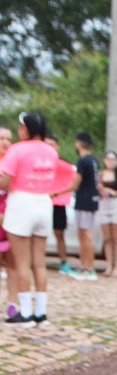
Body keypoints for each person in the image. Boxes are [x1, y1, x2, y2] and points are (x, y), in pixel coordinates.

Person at [0, 112, 59, 325]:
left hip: (22, 203)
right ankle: (41, 313)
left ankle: (25, 313)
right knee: (39, 263)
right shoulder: (50, 151)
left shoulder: (17, 150)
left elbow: (5, 181)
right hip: (43, 203)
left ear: (26, 129)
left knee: (22, 262)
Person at [52, 132, 99, 280]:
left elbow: (75, 184)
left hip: (84, 201)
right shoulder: (94, 160)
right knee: (83, 234)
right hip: (91, 199)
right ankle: (85, 266)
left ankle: (89, 268)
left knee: (85, 235)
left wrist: (56, 192)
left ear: (78, 144)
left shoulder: (83, 161)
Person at [45, 135, 78, 276]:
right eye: (46, 145)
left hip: (58, 203)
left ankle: (63, 262)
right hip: (41, 203)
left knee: (59, 234)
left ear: (58, 147)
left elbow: (77, 180)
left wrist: (58, 193)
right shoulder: (37, 163)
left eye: (52, 144)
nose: (49, 148)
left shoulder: (66, 166)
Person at [0, 124, 20, 319]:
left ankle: (12, 303)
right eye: (1, 139)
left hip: (12, 219)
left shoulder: (15, 166)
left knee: (12, 264)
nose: (5, 143)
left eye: (9, 139)